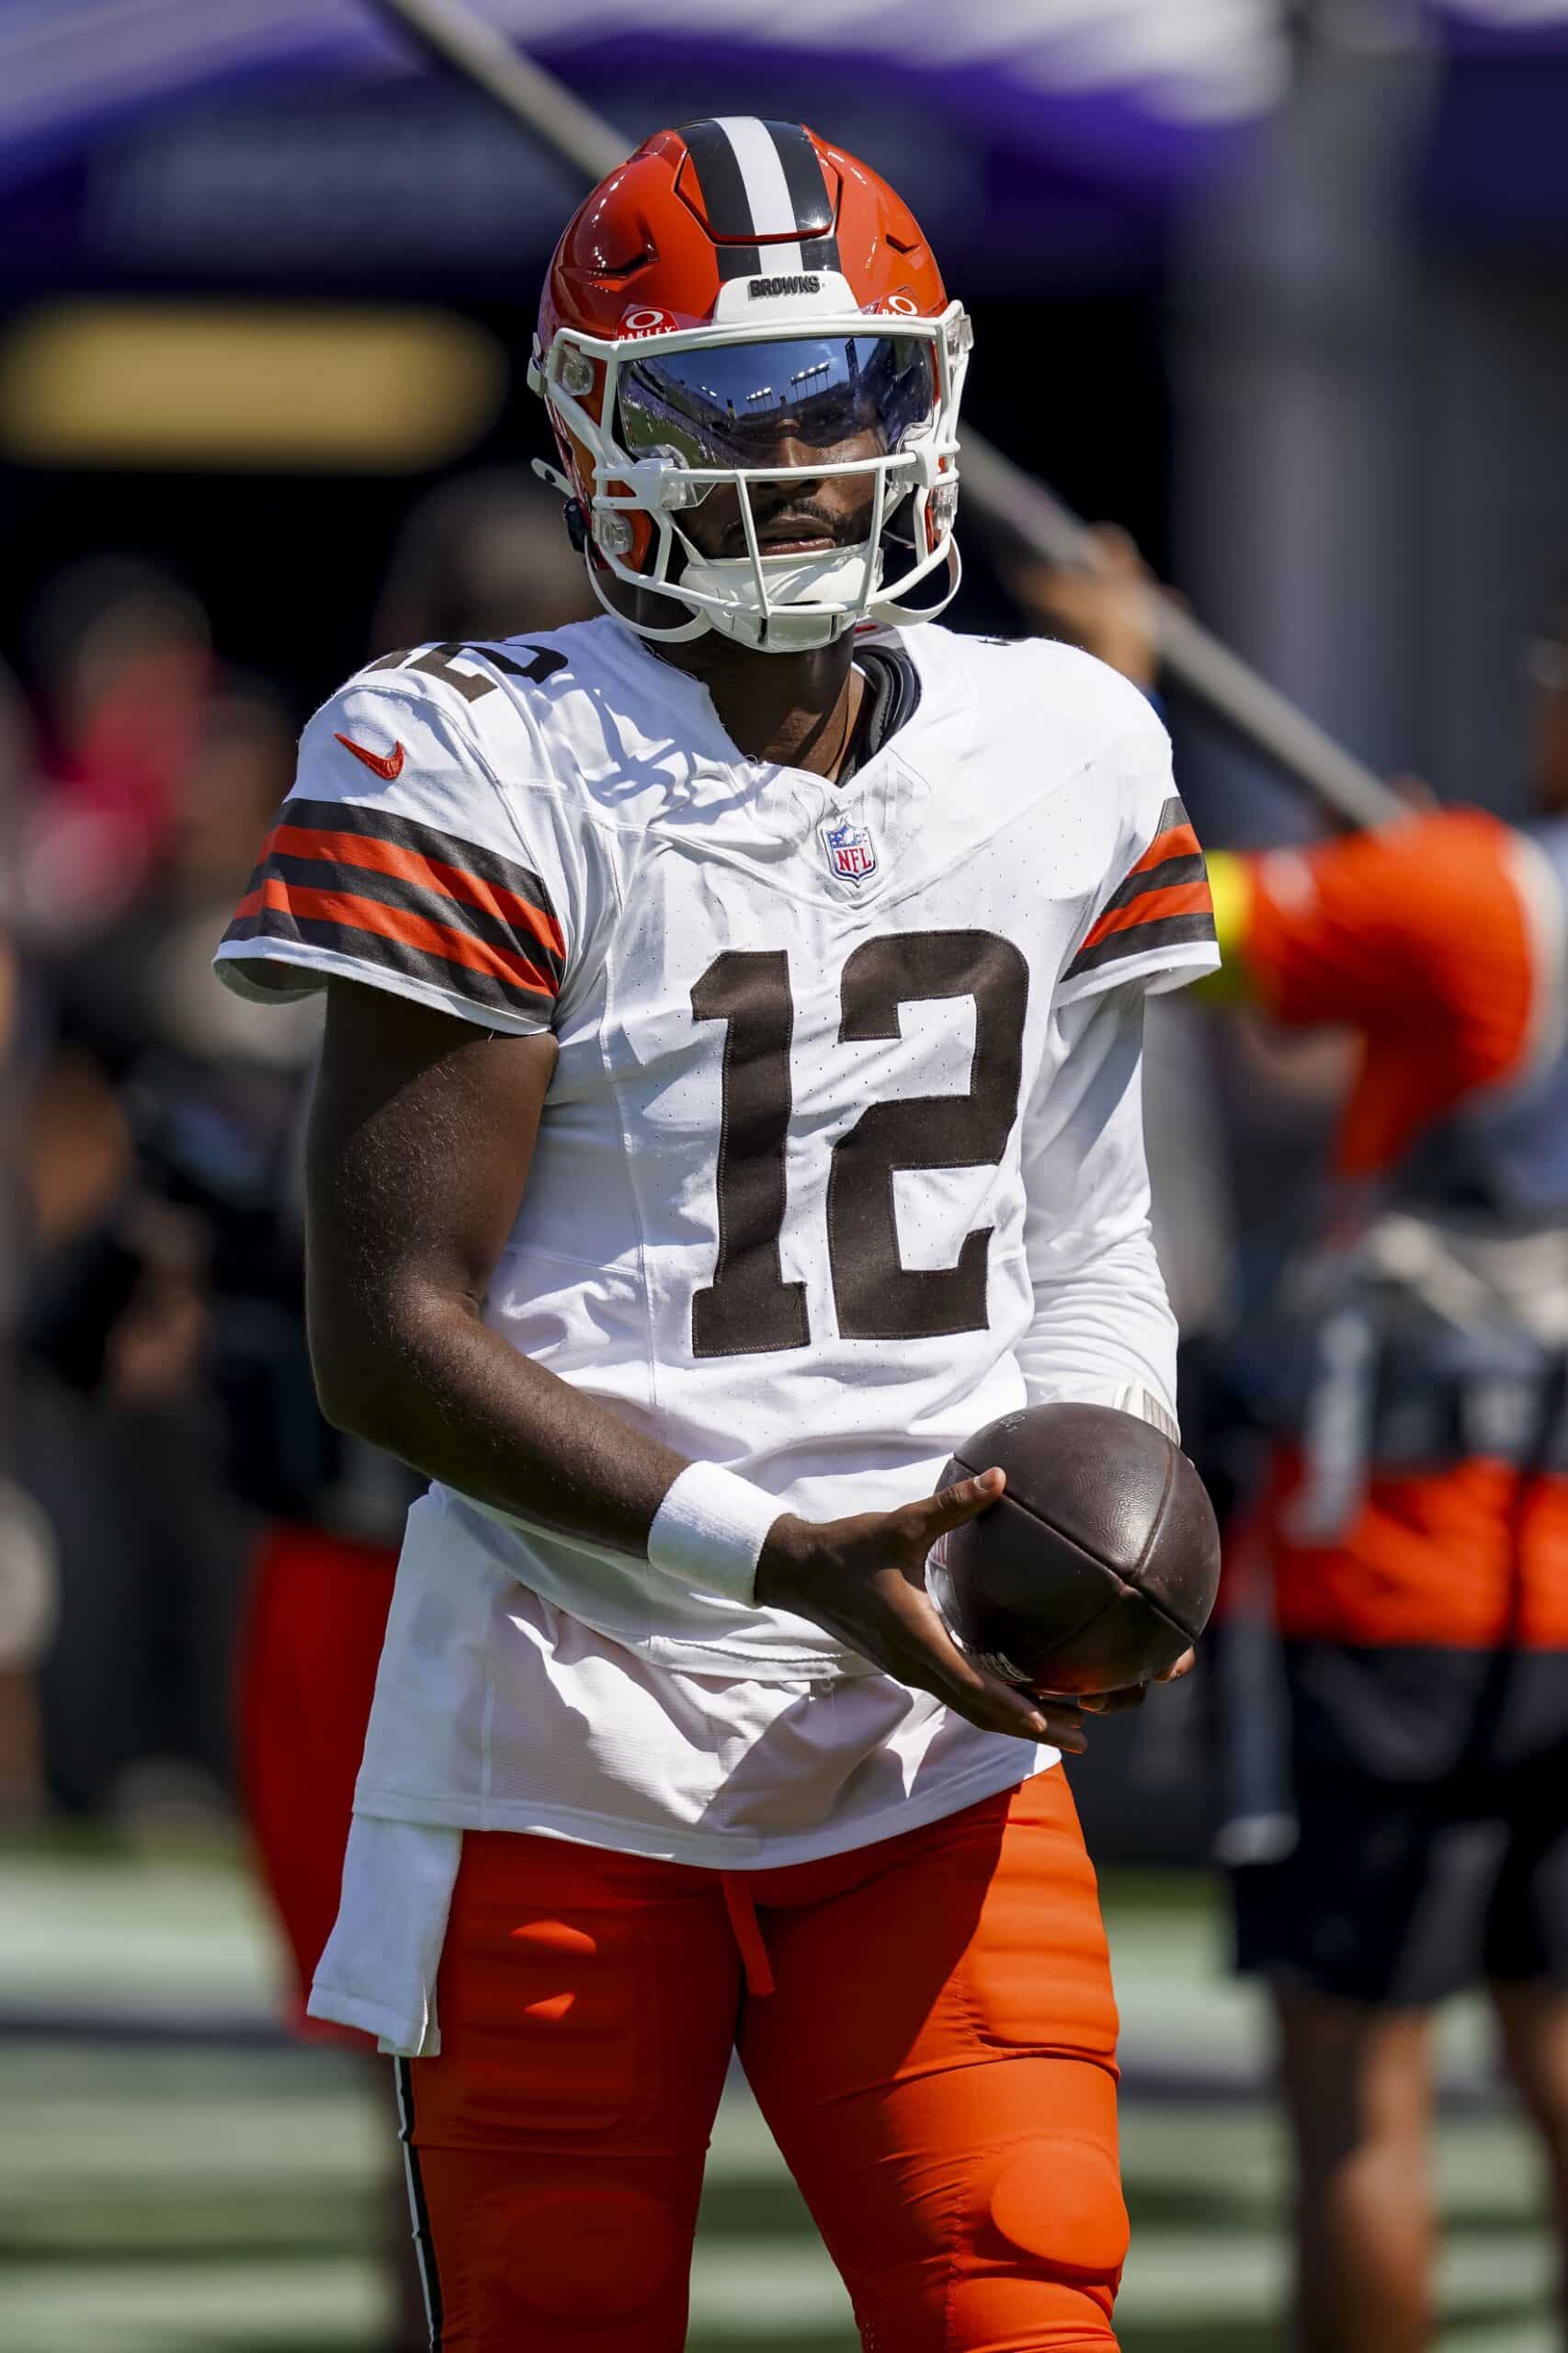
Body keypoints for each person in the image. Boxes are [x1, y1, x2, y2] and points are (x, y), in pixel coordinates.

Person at [214, 121, 1217, 2351]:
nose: (800, 463)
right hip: (567, 1734)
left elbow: (1089, 1239)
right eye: (724, 414)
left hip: (937, 1736)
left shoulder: (1065, 738)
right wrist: (785, 1558)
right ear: (590, 428)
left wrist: (1107, 1509)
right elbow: (384, 1335)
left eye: (846, 395)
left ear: (931, 395)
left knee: (1023, 2303)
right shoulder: (468, 753)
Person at [1026, 537, 1568, 2353]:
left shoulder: (1462, 902)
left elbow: (1162, 919)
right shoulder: (1447, 902)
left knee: (1359, 2097)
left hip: (1399, 1577)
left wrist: (1115, 688)